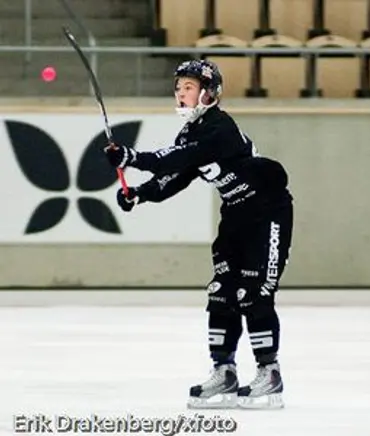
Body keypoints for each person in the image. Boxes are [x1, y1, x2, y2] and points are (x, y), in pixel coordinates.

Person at [103, 59, 293, 410]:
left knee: (253, 292)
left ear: (209, 94)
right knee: (221, 292)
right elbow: (174, 176)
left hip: (267, 213)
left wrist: (131, 157)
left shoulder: (219, 128)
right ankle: (225, 371)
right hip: (235, 214)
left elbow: (176, 158)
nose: (180, 94)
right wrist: (139, 194)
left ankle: (270, 374)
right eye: (178, 88)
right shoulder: (192, 132)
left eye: (188, 88)